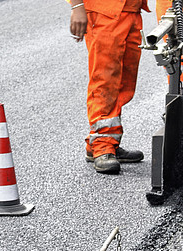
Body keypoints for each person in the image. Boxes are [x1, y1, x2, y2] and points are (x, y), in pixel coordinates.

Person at [69, 0, 149, 175]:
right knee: (104, 81)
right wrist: (77, 7)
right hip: (104, 13)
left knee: (123, 83)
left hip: (130, 11)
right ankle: (102, 146)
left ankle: (106, 142)